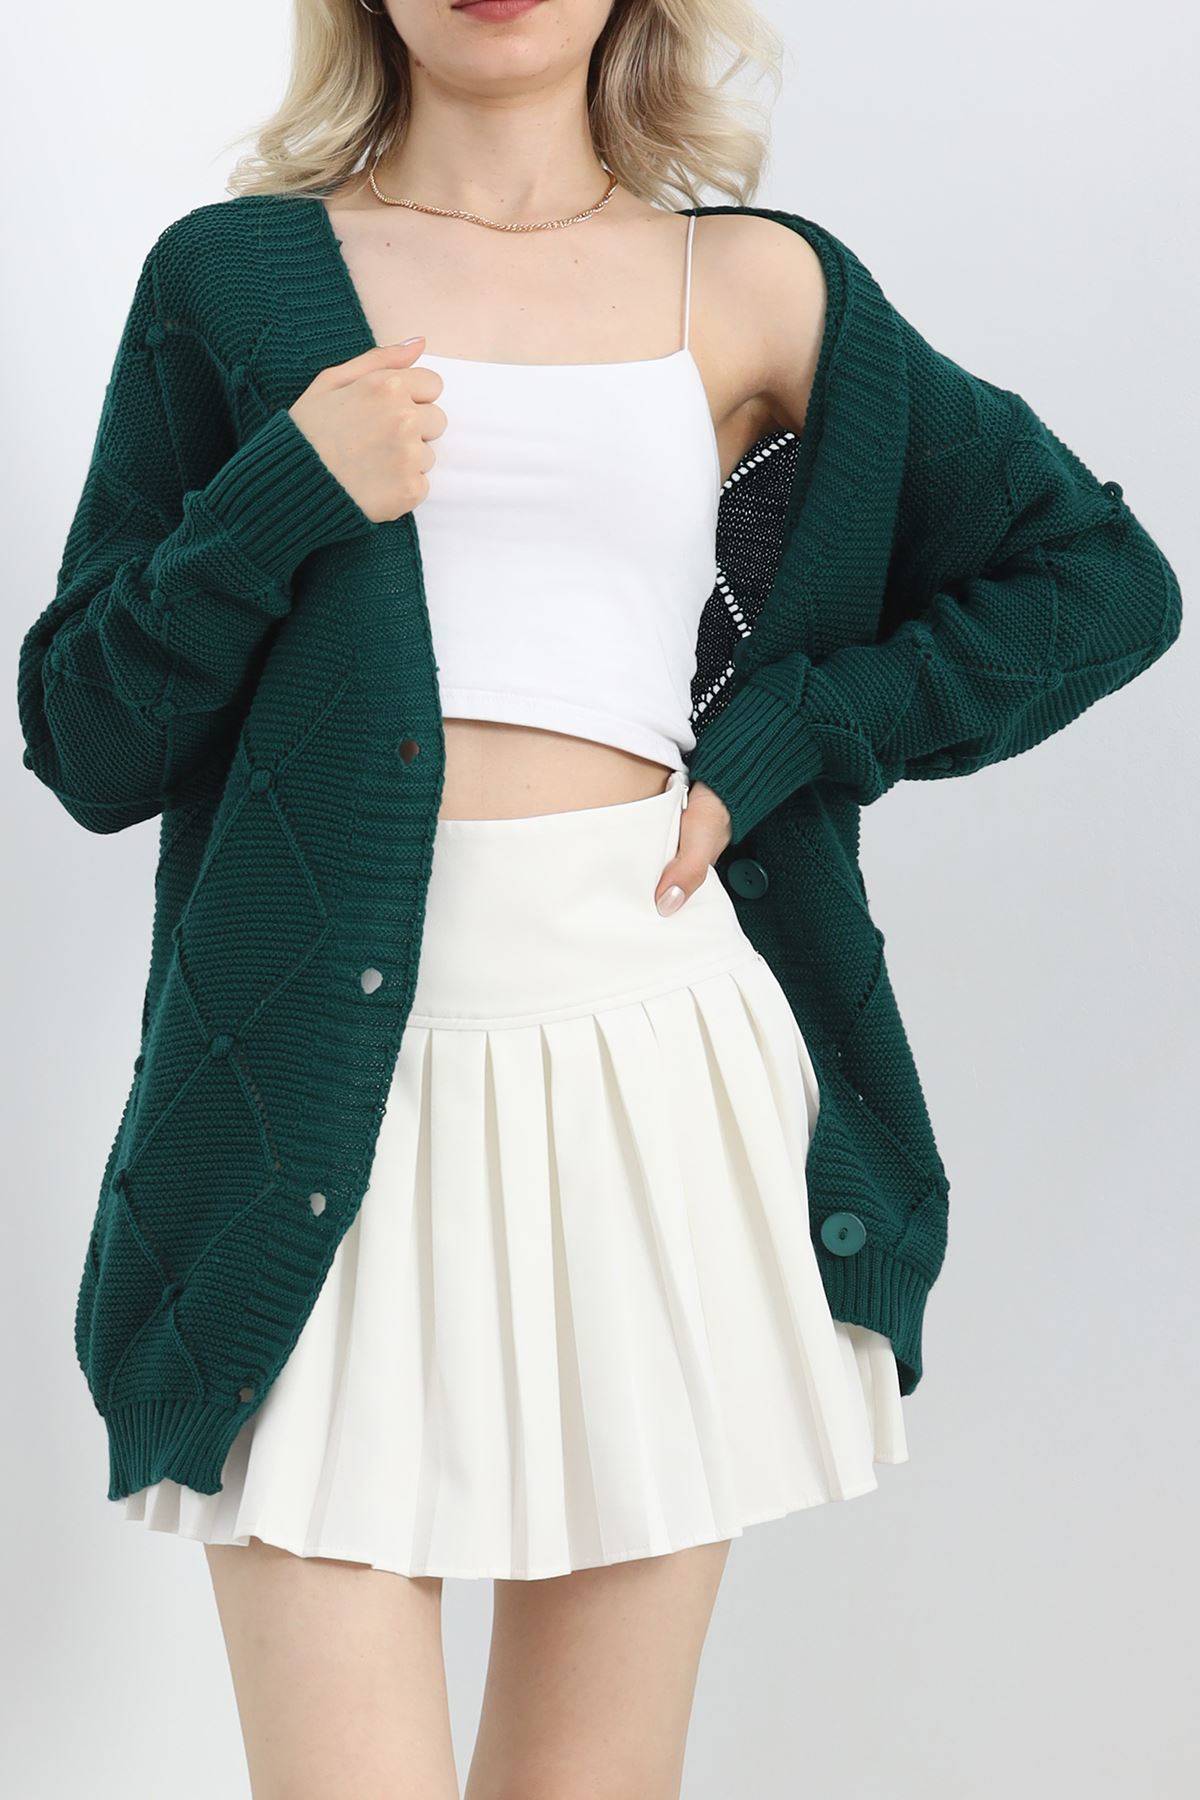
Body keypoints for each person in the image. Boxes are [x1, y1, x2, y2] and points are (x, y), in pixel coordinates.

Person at [16, 2, 1181, 1795]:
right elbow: (85, 738)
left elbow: (1098, 578)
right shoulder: (233, 282)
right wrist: (277, 501)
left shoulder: (756, 284)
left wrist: (805, 725)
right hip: (310, 1100)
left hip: (651, 1071)